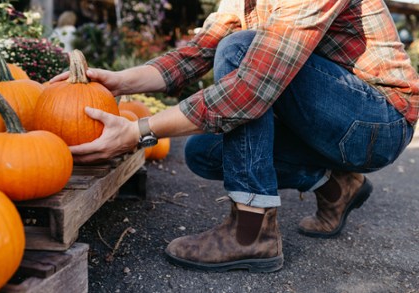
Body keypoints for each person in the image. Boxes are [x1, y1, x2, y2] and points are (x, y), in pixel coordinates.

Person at [51, 0, 418, 273]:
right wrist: (122, 80)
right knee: (205, 151)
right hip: (329, 119)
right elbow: (198, 53)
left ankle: (251, 231)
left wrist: (137, 131)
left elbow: (251, 87)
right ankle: (336, 186)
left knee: (241, 49)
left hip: (377, 122)